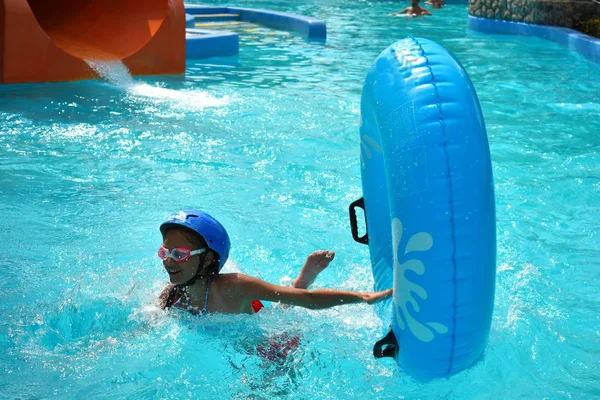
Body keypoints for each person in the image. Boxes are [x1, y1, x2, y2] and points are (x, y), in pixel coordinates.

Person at [157, 209, 393, 315]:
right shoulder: (173, 296)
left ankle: (302, 280)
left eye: (179, 254)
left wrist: (363, 297)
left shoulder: (235, 287)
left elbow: (307, 301)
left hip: (263, 335)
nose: (169, 261)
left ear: (208, 257)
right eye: (165, 252)